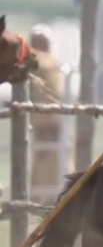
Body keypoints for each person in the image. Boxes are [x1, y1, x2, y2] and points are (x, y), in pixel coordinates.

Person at [26, 24, 66, 196]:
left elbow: (55, 95)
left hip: (52, 124)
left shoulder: (48, 65)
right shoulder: (35, 65)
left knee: (55, 166)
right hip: (39, 124)